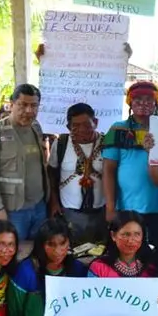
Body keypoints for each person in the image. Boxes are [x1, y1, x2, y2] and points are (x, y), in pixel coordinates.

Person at [102, 82, 158, 260]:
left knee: (157, 260)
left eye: (149, 99)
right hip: (126, 209)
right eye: (138, 99)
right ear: (130, 103)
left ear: (156, 103)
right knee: (126, 258)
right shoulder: (117, 129)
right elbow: (108, 170)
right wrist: (110, 207)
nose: (143, 103)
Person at [0, 85, 49, 242]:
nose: (29, 110)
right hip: (13, 210)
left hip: (39, 206)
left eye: (34, 105)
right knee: (13, 255)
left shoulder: (36, 128)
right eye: (23, 105)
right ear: (12, 104)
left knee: (38, 254)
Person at [47, 103, 106, 245]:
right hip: (69, 212)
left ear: (96, 123)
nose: (81, 130)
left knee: (97, 251)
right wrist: (54, 201)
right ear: (68, 127)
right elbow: (51, 173)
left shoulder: (106, 143)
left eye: (87, 125)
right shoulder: (61, 143)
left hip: (101, 212)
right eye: (75, 126)